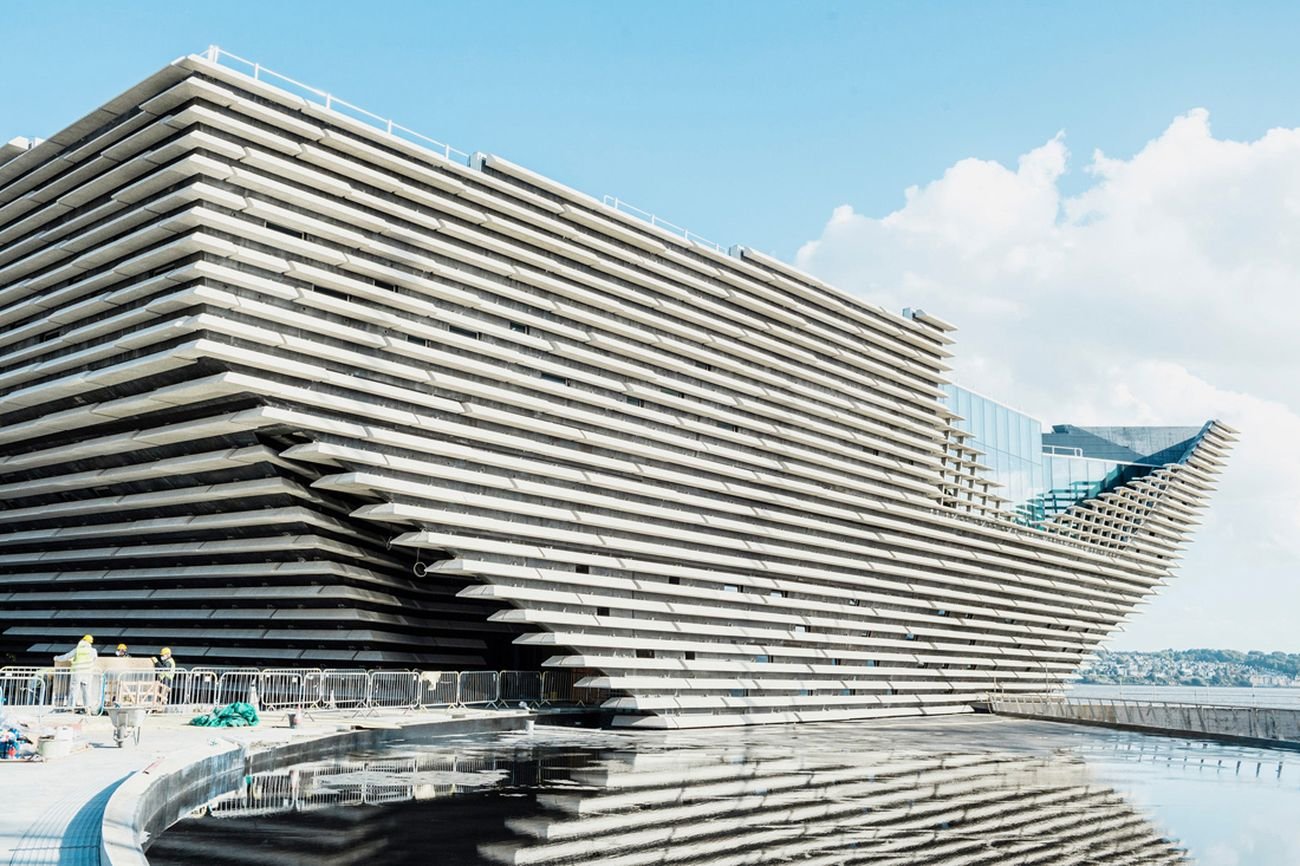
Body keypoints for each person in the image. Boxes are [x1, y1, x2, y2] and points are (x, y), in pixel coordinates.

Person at [54, 635, 98, 713]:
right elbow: (94, 660)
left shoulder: (77, 650)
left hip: (77, 672)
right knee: (86, 691)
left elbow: (66, 657)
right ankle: (87, 708)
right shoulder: (93, 651)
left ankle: (71, 707)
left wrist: (56, 658)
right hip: (87, 673)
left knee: (74, 690)